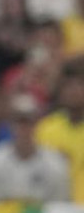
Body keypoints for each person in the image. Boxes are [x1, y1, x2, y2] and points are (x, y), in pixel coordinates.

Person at [0, 94, 71, 203]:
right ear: (10, 124)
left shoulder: (56, 165)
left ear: (37, 124)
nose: (23, 128)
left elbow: (61, 210)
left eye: (28, 122)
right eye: (19, 122)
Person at [36, 64, 84, 203]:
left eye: (79, 85)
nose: (73, 91)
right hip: (54, 207)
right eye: (68, 86)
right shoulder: (46, 128)